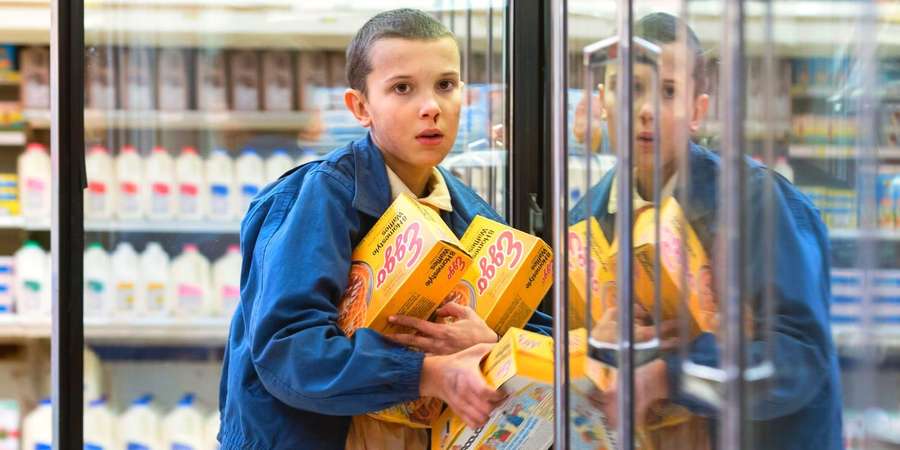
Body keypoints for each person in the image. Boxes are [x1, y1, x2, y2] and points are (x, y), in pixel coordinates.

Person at [217, 8, 552, 450]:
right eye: (401, 88)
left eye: (445, 85)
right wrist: (428, 374)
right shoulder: (319, 199)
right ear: (360, 107)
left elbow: (544, 335)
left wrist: (494, 343)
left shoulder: (475, 217)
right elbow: (289, 350)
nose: (431, 107)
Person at [569, 12, 843, 450]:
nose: (646, 110)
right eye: (631, 88)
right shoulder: (586, 220)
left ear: (698, 110)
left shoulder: (755, 203)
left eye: (668, 92)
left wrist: (669, 374)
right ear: (603, 100)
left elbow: (801, 359)